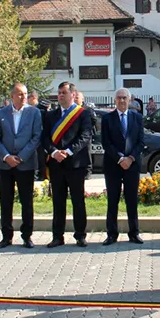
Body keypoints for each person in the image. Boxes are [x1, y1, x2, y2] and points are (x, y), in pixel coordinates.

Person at [0, 83, 43, 249]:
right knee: (5, 203)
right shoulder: (1, 113)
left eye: (25, 94)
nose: (23, 97)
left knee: (26, 202)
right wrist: (6, 156)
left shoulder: (34, 112)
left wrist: (20, 157)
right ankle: (6, 236)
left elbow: (36, 137)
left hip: (25, 164)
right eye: (19, 94)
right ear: (12, 95)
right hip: (5, 165)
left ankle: (27, 236)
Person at [43, 82, 92, 248]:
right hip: (56, 164)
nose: (61, 95)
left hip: (75, 164)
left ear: (73, 94)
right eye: (59, 93)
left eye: (64, 92)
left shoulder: (82, 114)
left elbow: (85, 137)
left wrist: (68, 152)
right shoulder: (50, 116)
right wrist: (54, 152)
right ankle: (57, 236)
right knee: (58, 202)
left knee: (78, 201)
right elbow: (45, 139)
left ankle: (80, 235)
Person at [101, 88, 144, 245]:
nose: (122, 100)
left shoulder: (137, 117)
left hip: (132, 165)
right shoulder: (107, 119)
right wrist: (120, 158)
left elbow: (141, 141)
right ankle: (112, 234)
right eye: (119, 98)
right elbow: (106, 142)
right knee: (113, 200)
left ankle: (134, 233)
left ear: (130, 99)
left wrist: (130, 158)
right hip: (113, 165)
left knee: (132, 200)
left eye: (124, 98)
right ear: (114, 100)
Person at [28, 90, 49, 181]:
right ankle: (34, 173)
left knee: (40, 156)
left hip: (40, 136)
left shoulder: (41, 108)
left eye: (28, 97)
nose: (27, 100)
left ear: (34, 98)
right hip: (30, 136)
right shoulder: (27, 109)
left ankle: (41, 174)